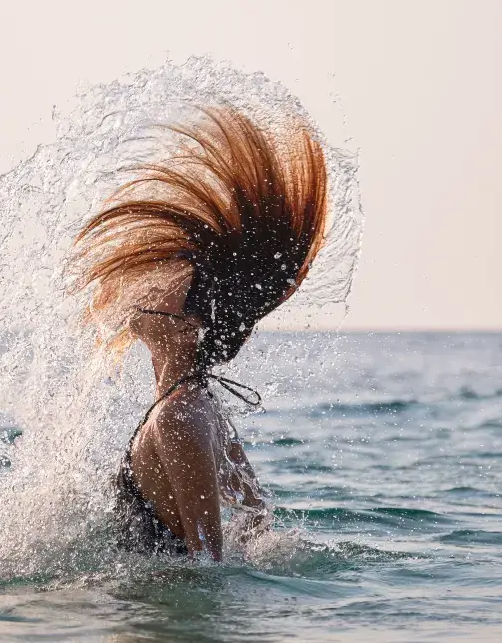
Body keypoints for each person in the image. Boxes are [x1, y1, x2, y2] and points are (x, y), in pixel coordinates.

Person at [71, 106, 329, 561]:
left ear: (193, 327)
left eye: (174, 285)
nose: (154, 286)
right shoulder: (199, 406)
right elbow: (257, 523)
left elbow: (206, 566)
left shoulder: (179, 417)